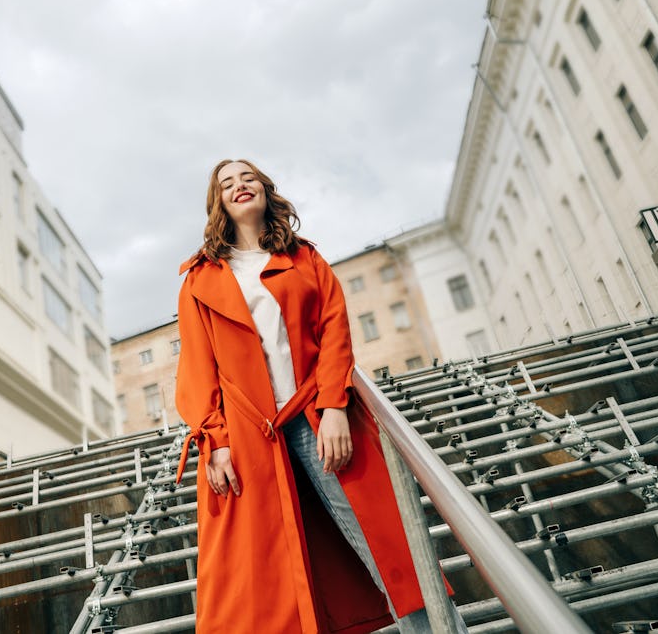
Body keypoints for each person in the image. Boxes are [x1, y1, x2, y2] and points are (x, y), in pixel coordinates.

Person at [174, 159, 464, 634]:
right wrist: (216, 440)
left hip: (314, 418)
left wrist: (333, 407)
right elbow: (197, 366)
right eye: (227, 183)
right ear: (218, 203)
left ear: (266, 190)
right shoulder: (200, 279)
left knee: (389, 550)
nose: (239, 186)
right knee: (263, 586)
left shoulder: (304, 258)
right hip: (248, 442)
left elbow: (335, 331)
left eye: (248, 178)